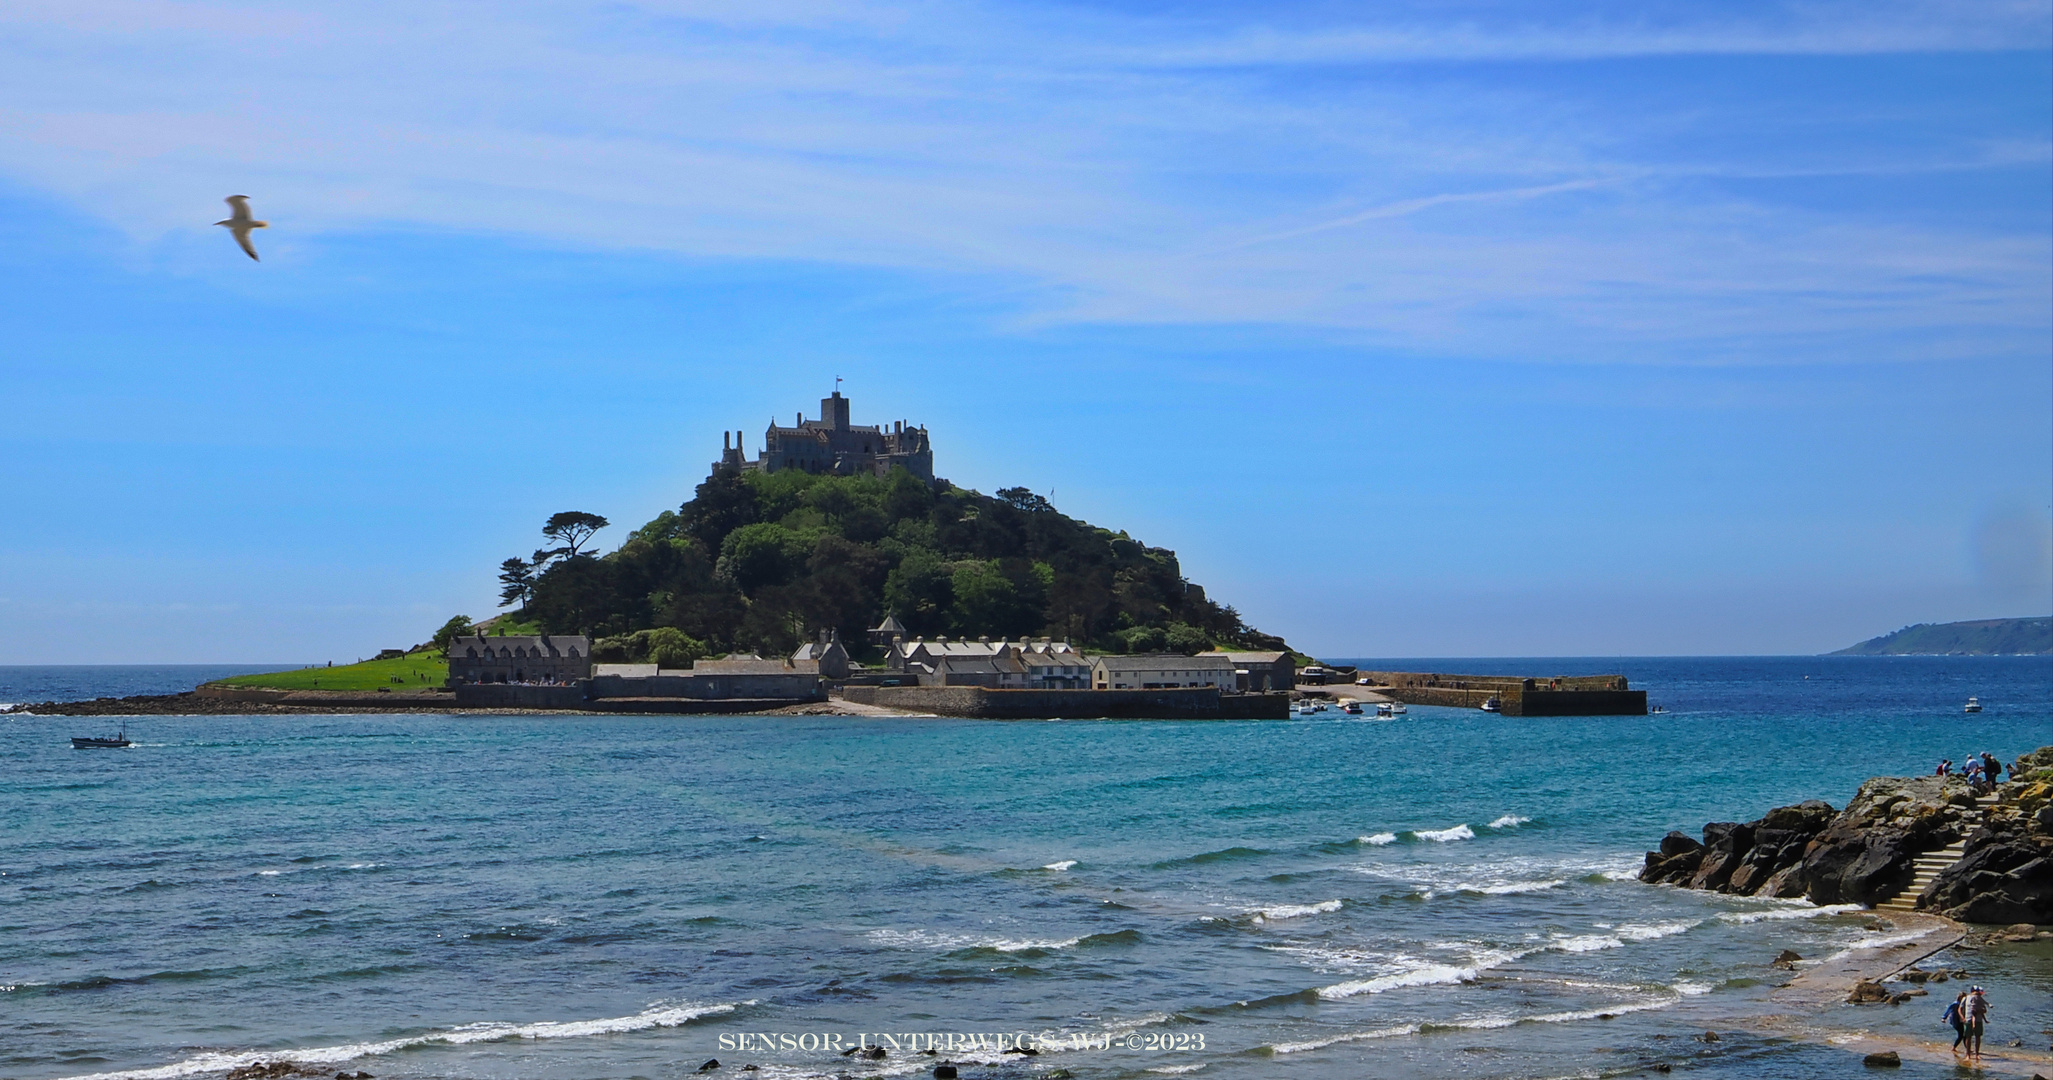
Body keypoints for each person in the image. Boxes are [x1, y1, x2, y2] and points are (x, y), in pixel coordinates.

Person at [1965, 986, 1989, 1059]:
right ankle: (1968, 1054)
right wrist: (1962, 1018)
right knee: (1968, 1037)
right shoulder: (1966, 998)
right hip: (1968, 1019)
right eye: (1976, 991)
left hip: (1978, 1020)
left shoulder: (1980, 999)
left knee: (1978, 1037)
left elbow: (1985, 1010)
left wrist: (1979, 1011)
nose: (1977, 993)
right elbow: (1960, 1008)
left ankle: (1977, 1054)